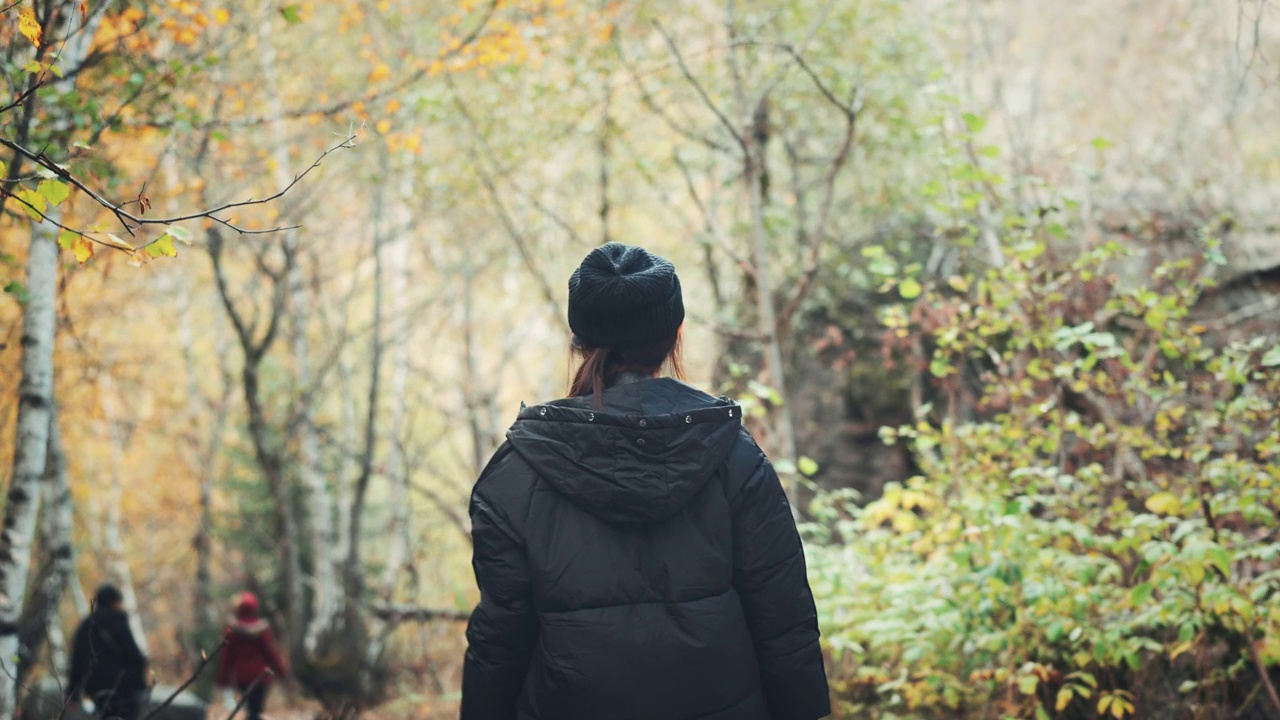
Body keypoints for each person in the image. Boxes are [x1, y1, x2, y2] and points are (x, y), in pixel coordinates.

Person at [461, 243, 831, 720]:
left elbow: (499, 640)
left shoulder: (517, 473)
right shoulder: (735, 457)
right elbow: (783, 619)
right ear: (676, 334)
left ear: (578, 339)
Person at [67, 584, 150, 720]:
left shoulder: (87, 625)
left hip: (95, 688)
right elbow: (134, 656)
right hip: (123, 688)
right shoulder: (118, 622)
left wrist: (72, 693)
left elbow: (77, 660)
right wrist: (140, 684)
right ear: (114, 602)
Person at [215, 592, 288, 720]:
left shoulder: (231, 630)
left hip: (242, 677)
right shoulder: (262, 629)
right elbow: (271, 653)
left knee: (251, 709)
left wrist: (224, 681)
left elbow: (227, 657)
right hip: (261, 676)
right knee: (256, 709)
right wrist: (282, 673)